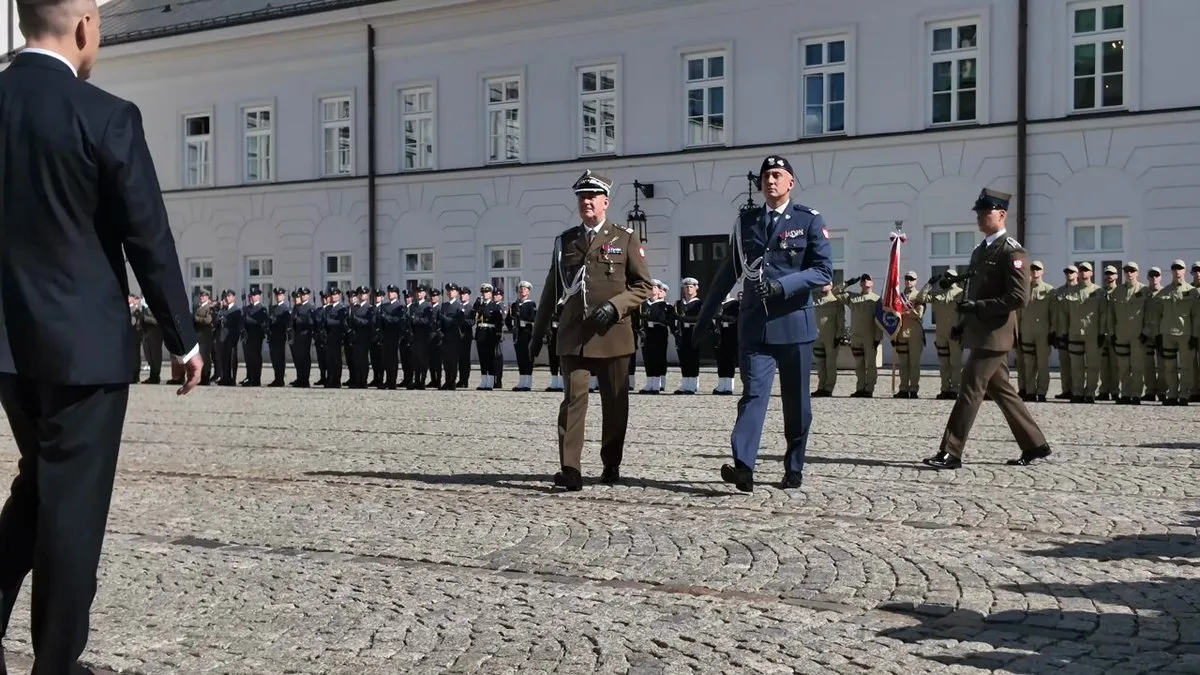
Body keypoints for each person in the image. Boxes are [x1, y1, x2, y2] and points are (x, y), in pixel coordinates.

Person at [0, 1, 203, 671]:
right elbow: (148, 234)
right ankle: (56, 664)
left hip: (6, 348)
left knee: (41, 487)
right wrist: (183, 338)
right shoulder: (105, 116)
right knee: (71, 515)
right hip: (81, 352)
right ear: (84, 24)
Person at [694, 155, 833, 492]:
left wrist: (783, 286)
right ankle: (744, 467)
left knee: (797, 403)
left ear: (790, 182)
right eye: (765, 176)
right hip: (756, 327)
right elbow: (727, 272)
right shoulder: (747, 223)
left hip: (795, 326)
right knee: (753, 396)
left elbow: (823, 271)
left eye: (777, 175)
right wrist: (703, 318)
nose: (771, 181)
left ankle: (794, 465)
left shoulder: (809, 221)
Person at [529, 170, 652, 491]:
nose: (586, 202)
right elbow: (550, 290)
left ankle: (611, 462)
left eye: (591, 197)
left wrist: (615, 307)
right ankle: (570, 469)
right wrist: (536, 333)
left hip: (613, 335)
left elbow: (643, 287)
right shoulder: (566, 241)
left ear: (605, 202)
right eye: (581, 197)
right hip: (574, 336)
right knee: (573, 400)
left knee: (615, 405)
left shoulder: (625, 238)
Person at [923, 189, 1052, 470]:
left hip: (995, 335)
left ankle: (951, 452)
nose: (980, 218)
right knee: (1003, 390)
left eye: (986, 213)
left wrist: (979, 308)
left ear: (1002, 215)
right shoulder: (980, 249)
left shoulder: (1012, 251)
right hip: (980, 331)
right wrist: (962, 323)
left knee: (969, 390)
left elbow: (1019, 297)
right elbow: (972, 289)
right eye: (979, 213)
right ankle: (1035, 444)